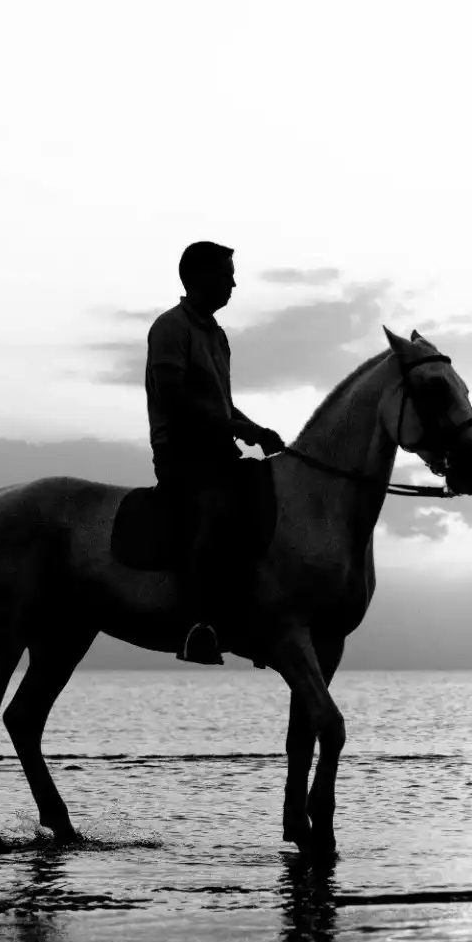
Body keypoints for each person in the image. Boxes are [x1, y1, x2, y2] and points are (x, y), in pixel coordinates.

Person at [146, 241, 286, 665]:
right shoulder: (171, 328)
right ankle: (196, 625)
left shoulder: (217, 336)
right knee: (213, 514)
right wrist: (239, 427)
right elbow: (174, 399)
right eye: (227, 274)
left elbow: (219, 404)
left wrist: (253, 429)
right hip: (183, 455)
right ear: (200, 277)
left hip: (218, 452)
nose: (233, 283)